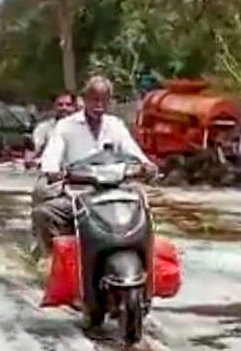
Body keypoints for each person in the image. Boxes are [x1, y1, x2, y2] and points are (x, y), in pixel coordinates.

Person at [32, 76, 155, 252]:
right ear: (85, 99)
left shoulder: (115, 125)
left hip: (115, 192)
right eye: (94, 100)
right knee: (44, 214)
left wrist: (146, 165)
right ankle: (51, 257)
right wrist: (53, 170)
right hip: (78, 194)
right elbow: (51, 158)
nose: (99, 106)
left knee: (143, 209)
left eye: (104, 100)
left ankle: (144, 254)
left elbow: (133, 151)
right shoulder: (66, 126)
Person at [31, 92, 78, 159]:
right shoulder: (43, 128)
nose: (64, 108)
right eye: (60, 105)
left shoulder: (83, 127)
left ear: (74, 107)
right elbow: (35, 150)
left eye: (68, 105)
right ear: (54, 106)